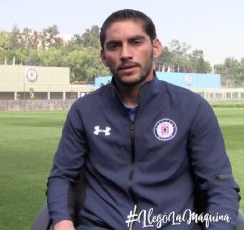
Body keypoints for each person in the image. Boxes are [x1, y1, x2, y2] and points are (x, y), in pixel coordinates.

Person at [47, 9, 240, 229]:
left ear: (155, 47)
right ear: (103, 56)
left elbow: (220, 186)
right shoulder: (84, 111)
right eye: (114, 46)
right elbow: (61, 177)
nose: (125, 54)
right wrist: (62, 220)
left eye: (136, 42)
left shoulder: (192, 108)